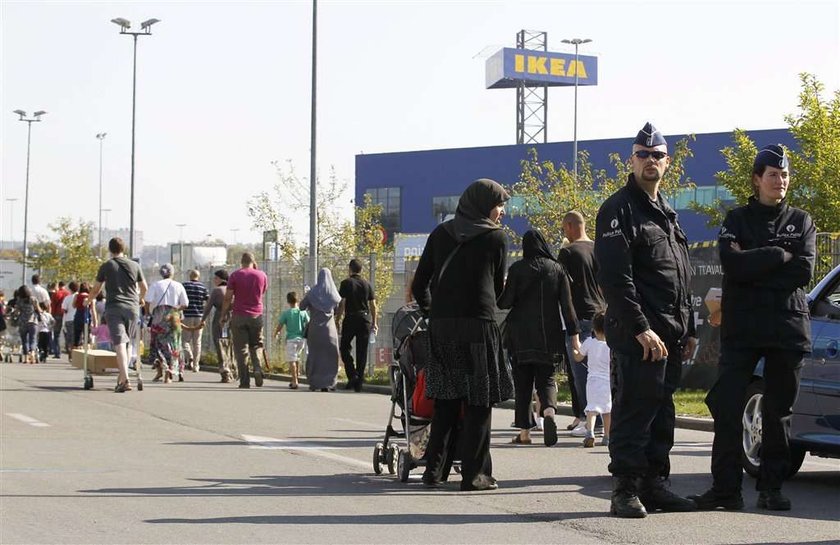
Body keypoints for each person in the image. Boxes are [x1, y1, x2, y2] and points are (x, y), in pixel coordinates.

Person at [690, 145, 816, 512]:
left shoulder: (801, 221)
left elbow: (803, 271)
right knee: (727, 405)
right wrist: (778, 255)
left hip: (786, 328)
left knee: (778, 413)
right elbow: (732, 264)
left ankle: (771, 488)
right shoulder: (737, 219)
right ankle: (725, 489)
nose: (781, 181)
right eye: (773, 175)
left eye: (785, 175)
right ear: (757, 179)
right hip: (742, 329)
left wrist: (755, 266)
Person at [594, 122, 697, 518]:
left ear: (667, 162)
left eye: (657, 155)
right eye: (643, 154)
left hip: (670, 333)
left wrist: (687, 329)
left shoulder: (667, 213)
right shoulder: (618, 209)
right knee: (636, 410)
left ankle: (655, 485)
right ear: (631, 160)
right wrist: (641, 328)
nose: (650, 161)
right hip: (640, 333)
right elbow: (615, 280)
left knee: (662, 411)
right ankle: (624, 489)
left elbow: (679, 275)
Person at [411, 178, 514, 491]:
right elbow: (497, 291)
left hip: (442, 328)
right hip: (478, 327)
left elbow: (419, 285)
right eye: (499, 205)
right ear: (485, 205)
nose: (502, 212)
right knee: (478, 403)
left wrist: (433, 312)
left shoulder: (441, 233)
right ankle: (474, 475)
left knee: (446, 400)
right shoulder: (496, 238)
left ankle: (434, 470)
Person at [497, 229, 580, 447]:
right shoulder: (557, 269)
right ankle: (550, 413)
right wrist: (574, 336)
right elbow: (568, 307)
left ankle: (525, 432)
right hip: (549, 335)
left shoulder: (517, 269)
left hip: (521, 336)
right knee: (547, 379)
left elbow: (504, 303)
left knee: (523, 382)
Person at [559, 210, 606, 435]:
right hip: (602, 316)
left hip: (579, 316)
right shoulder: (599, 248)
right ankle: (605, 419)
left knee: (581, 373)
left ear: (570, 226)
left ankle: (589, 420)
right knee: (603, 371)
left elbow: (563, 290)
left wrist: (570, 324)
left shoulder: (567, 252)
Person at [87, 237, 148, 393]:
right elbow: (144, 287)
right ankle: (122, 377)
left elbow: (97, 288)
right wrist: (139, 299)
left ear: (110, 249)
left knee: (119, 343)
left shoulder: (107, 266)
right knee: (127, 342)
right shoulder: (135, 265)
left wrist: (88, 300)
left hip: (114, 307)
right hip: (132, 309)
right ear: (124, 249)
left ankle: (125, 379)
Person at [221, 252, 268, 388]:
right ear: (253, 262)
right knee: (257, 344)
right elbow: (262, 292)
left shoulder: (235, 275)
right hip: (257, 315)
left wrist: (223, 314)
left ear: (241, 262)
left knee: (241, 349)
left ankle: (245, 380)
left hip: (239, 315)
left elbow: (228, 297)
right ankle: (258, 368)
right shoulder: (262, 275)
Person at [335, 259, 378, 392]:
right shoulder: (367, 284)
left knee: (344, 347)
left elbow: (342, 303)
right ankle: (358, 382)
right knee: (362, 351)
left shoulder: (346, 283)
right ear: (361, 270)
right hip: (365, 319)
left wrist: (337, 319)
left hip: (351, 318)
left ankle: (352, 374)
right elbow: (373, 305)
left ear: (350, 269)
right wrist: (374, 322)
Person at [144, 263, 189, 383]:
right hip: (174, 319)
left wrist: (149, 313)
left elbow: (147, 300)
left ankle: (160, 371)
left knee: (158, 345)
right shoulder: (178, 285)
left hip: (158, 319)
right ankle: (173, 371)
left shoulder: (155, 285)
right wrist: (174, 309)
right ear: (172, 273)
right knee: (174, 345)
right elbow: (185, 304)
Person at [573, 312, 612, 448]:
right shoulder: (611, 346)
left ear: (594, 328)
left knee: (592, 408)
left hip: (593, 381)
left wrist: (575, 348)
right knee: (607, 410)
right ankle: (607, 436)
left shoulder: (589, 342)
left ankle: (590, 432)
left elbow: (579, 357)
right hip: (607, 381)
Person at [299, 269, 341, 392]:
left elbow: (302, 307)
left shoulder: (312, 293)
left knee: (314, 355)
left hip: (315, 330)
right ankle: (330, 383)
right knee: (331, 357)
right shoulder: (334, 294)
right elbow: (338, 310)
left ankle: (314, 382)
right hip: (330, 331)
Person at [201, 269, 231, 382]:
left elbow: (208, 307)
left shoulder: (217, 291)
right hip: (232, 318)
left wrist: (202, 320)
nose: (214, 280)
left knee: (220, 344)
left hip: (220, 318)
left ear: (220, 279)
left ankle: (224, 370)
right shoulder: (232, 290)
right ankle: (232, 368)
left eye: (215, 278)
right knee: (230, 344)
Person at [275, 291, 309, 389]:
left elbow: (280, 325)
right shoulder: (302, 312)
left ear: (288, 301)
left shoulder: (286, 313)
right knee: (296, 358)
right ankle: (296, 378)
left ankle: (294, 381)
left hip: (291, 340)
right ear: (298, 300)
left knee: (292, 360)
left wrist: (276, 333)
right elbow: (308, 322)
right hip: (301, 339)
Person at [182, 269, 209, 372]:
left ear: (190, 276)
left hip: (187, 315)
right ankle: (196, 366)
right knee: (197, 342)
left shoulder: (184, 286)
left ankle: (189, 356)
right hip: (199, 316)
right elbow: (208, 300)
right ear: (198, 276)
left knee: (185, 340)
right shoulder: (202, 287)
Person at [13, 286, 38, 363]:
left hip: (23, 322)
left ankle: (26, 358)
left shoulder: (19, 301)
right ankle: (32, 353)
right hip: (33, 321)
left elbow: (16, 312)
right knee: (33, 339)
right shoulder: (33, 299)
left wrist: (14, 314)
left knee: (24, 340)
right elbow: (38, 309)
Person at [50, 281, 69, 358]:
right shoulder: (68, 293)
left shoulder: (56, 294)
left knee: (56, 334)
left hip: (57, 315)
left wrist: (52, 315)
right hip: (66, 315)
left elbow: (53, 306)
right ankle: (69, 350)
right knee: (67, 334)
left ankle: (57, 352)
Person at [61, 282, 78, 360]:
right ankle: (77, 354)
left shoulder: (68, 298)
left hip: (69, 319)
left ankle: (71, 354)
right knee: (77, 337)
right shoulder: (80, 297)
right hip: (78, 319)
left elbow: (64, 309)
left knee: (69, 338)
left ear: (70, 289)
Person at [72, 282, 92, 350]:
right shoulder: (90, 296)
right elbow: (93, 310)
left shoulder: (77, 295)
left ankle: (75, 355)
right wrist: (95, 321)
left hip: (78, 316)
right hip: (87, 316)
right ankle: (87, 353)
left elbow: (73, 305)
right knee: (87, 336)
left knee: (77, 337)